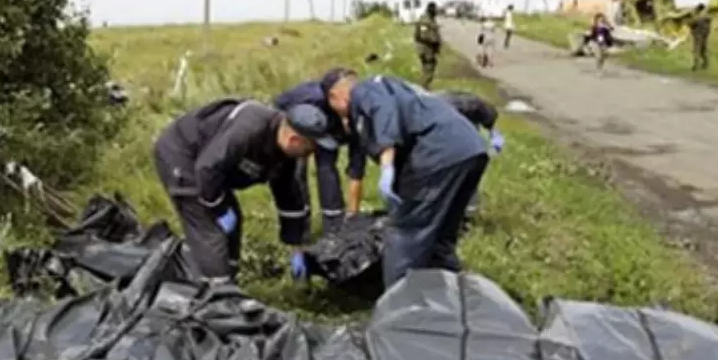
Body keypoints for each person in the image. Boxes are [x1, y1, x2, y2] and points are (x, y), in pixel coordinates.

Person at [323, 72, 489, 288]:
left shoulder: (364, 91)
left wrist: (386, 164)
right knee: (441, 234)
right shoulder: (395, 87)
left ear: (335, 96)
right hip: (469, 149)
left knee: (406, 234)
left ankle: (398, 300)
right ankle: (450, 293)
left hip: (437, 153)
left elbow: (382, 111)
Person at [151, 99, 338, 284]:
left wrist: (296, 246)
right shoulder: (248, 131)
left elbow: (288, 195)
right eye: (310, 147)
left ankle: (229, 281)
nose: (311, 154)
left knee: (233, 222)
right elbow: (207, 169)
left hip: (212, 168)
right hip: (183, 156)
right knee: (209, 228)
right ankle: (215, 289)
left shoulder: (285, 153)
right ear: (294, 140)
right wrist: (219, 209)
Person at [273, 70, 366, 235]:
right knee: (296, 171)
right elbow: (276, 111)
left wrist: (353, 215)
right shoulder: (308, 97)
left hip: (329, 132)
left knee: (326, 168)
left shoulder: (360, 115)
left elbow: (356, 170)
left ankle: (334, 227)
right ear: (332, 96)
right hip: (301, 125)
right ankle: (299, 226)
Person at [413, 2, 442, 88]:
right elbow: (423, 35)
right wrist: (435, 41)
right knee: (429, 68)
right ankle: (423, 88)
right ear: (431, 10)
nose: (436, 12)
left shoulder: (429, 19)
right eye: (435, 10)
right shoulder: (425, 21)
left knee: (427, 69)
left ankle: (423, 86)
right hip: (426, 50)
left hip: (427, 49)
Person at [690, 4, 712, 71]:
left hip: (698, 36)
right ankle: (705, 64)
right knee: (703, 51)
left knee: (696, 50)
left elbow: (692, 24)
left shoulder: (697, 17)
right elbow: (708, 28)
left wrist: (693, 15)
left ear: (699, 9)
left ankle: (696, 65)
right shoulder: (707, 17)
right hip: (705, 36)